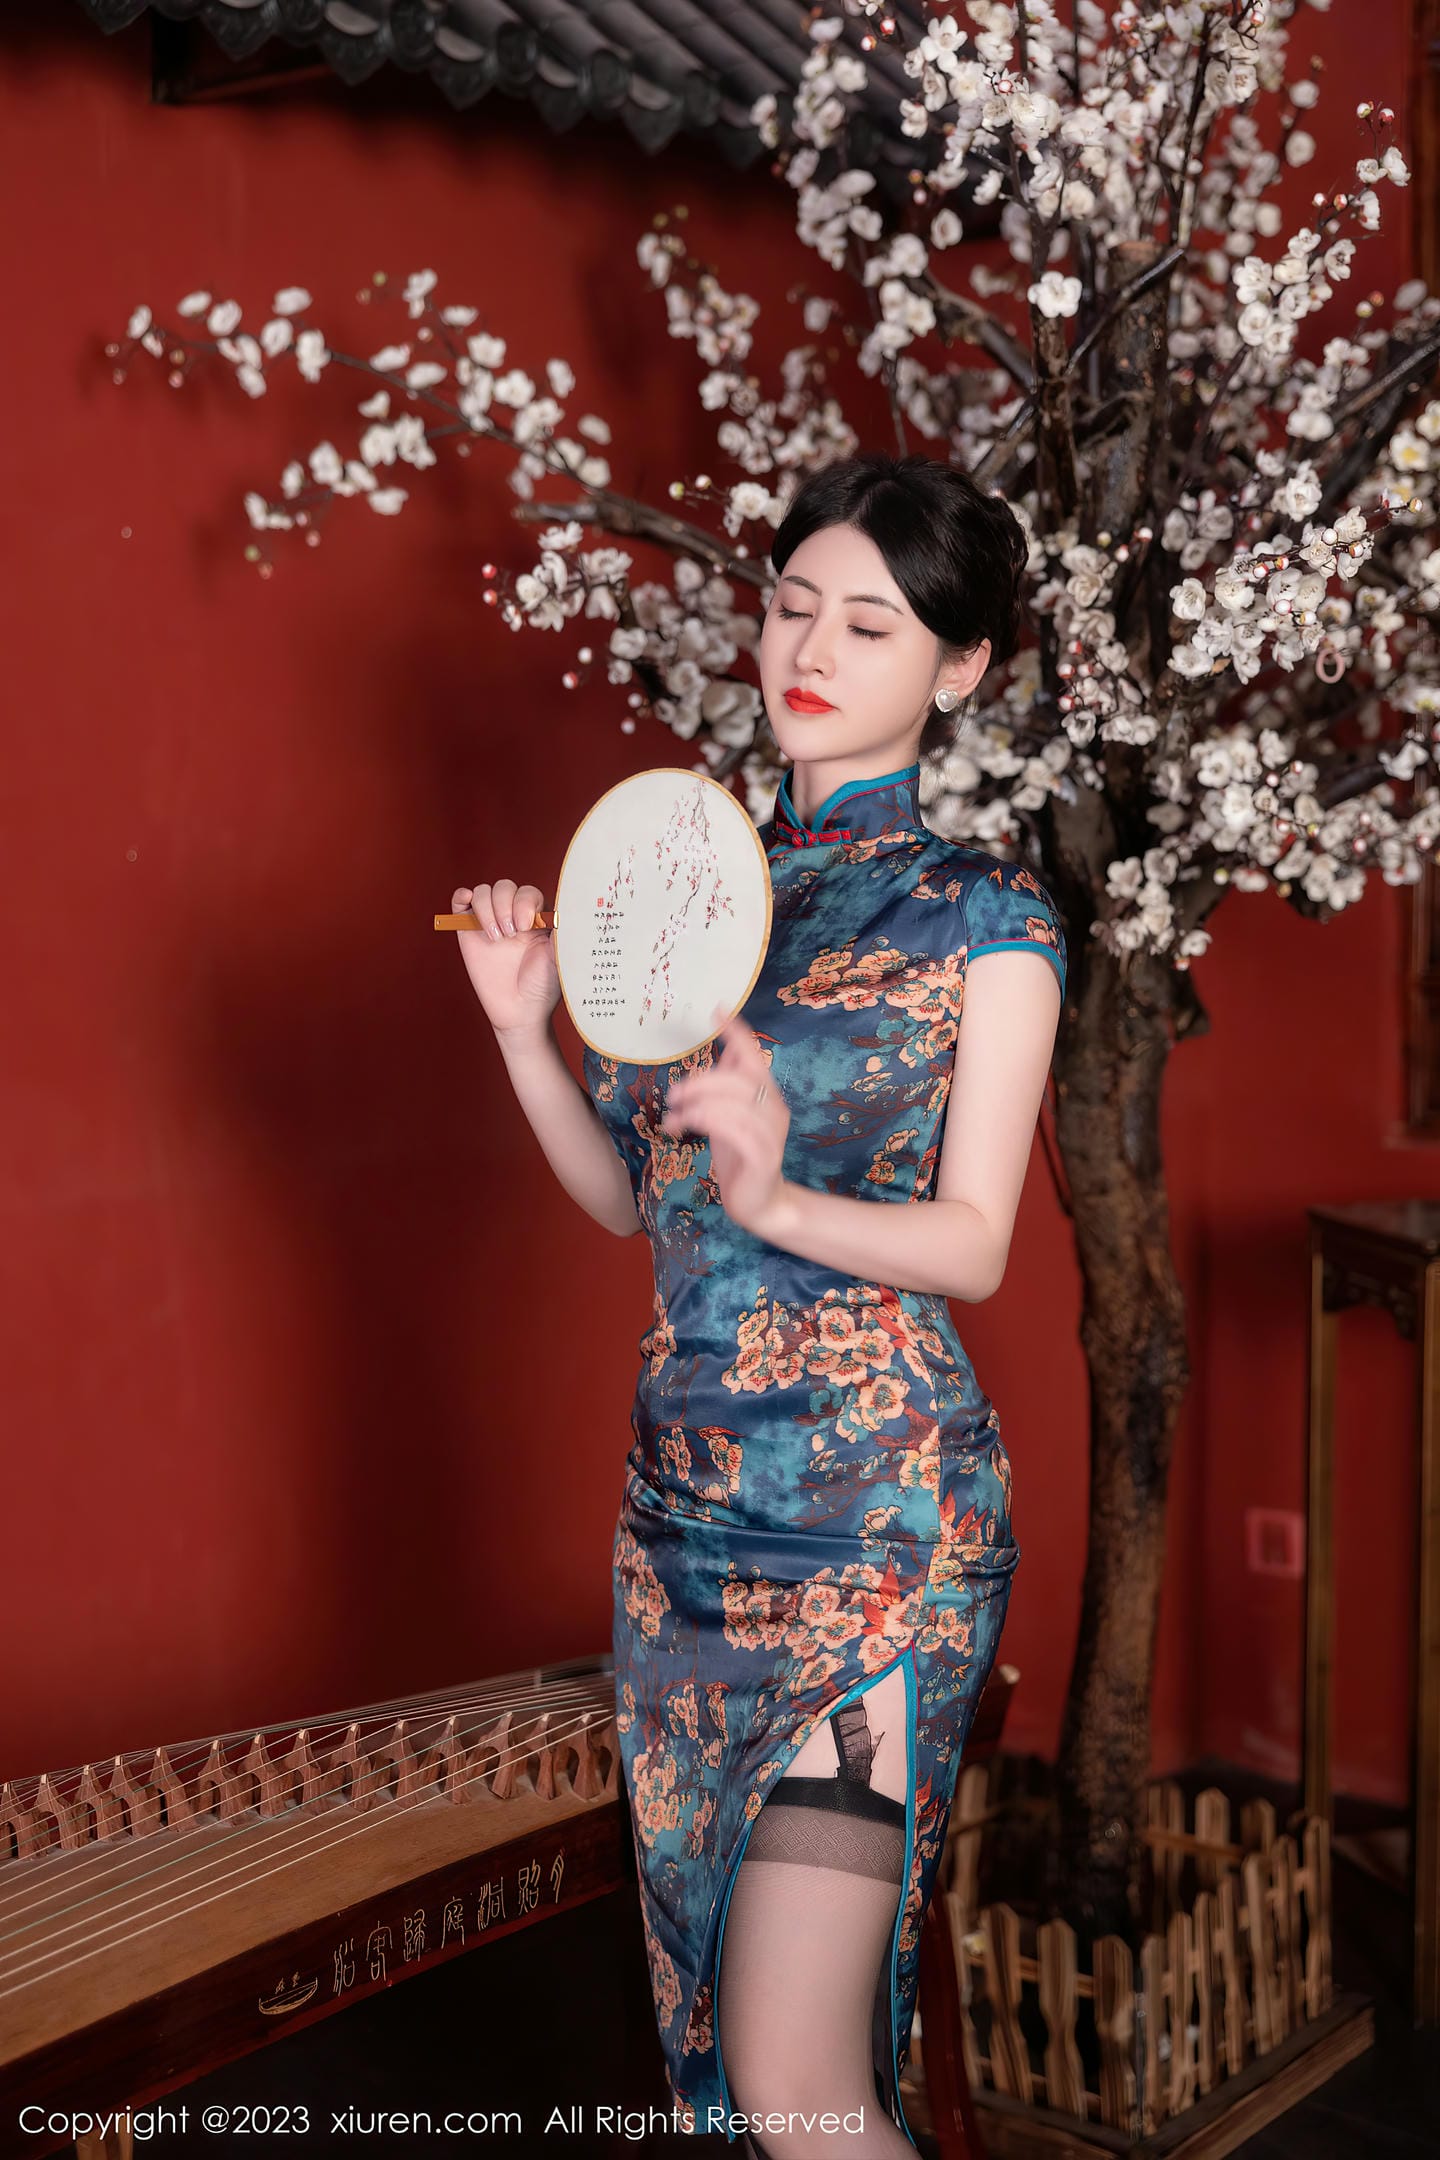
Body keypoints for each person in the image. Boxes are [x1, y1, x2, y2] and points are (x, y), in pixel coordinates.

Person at [452, 452, 1066, 2156]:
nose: (811, 646)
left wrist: (783, 1195)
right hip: (681, 1522)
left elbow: (975, 1244)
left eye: (871, 624)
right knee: (722, 2078)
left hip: (874, 1527)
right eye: (796, 603)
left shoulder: (987, 917)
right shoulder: (681, 887)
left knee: (799, 2086)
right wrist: (521, 1028)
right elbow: (632, 1202)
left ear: (960, 668)